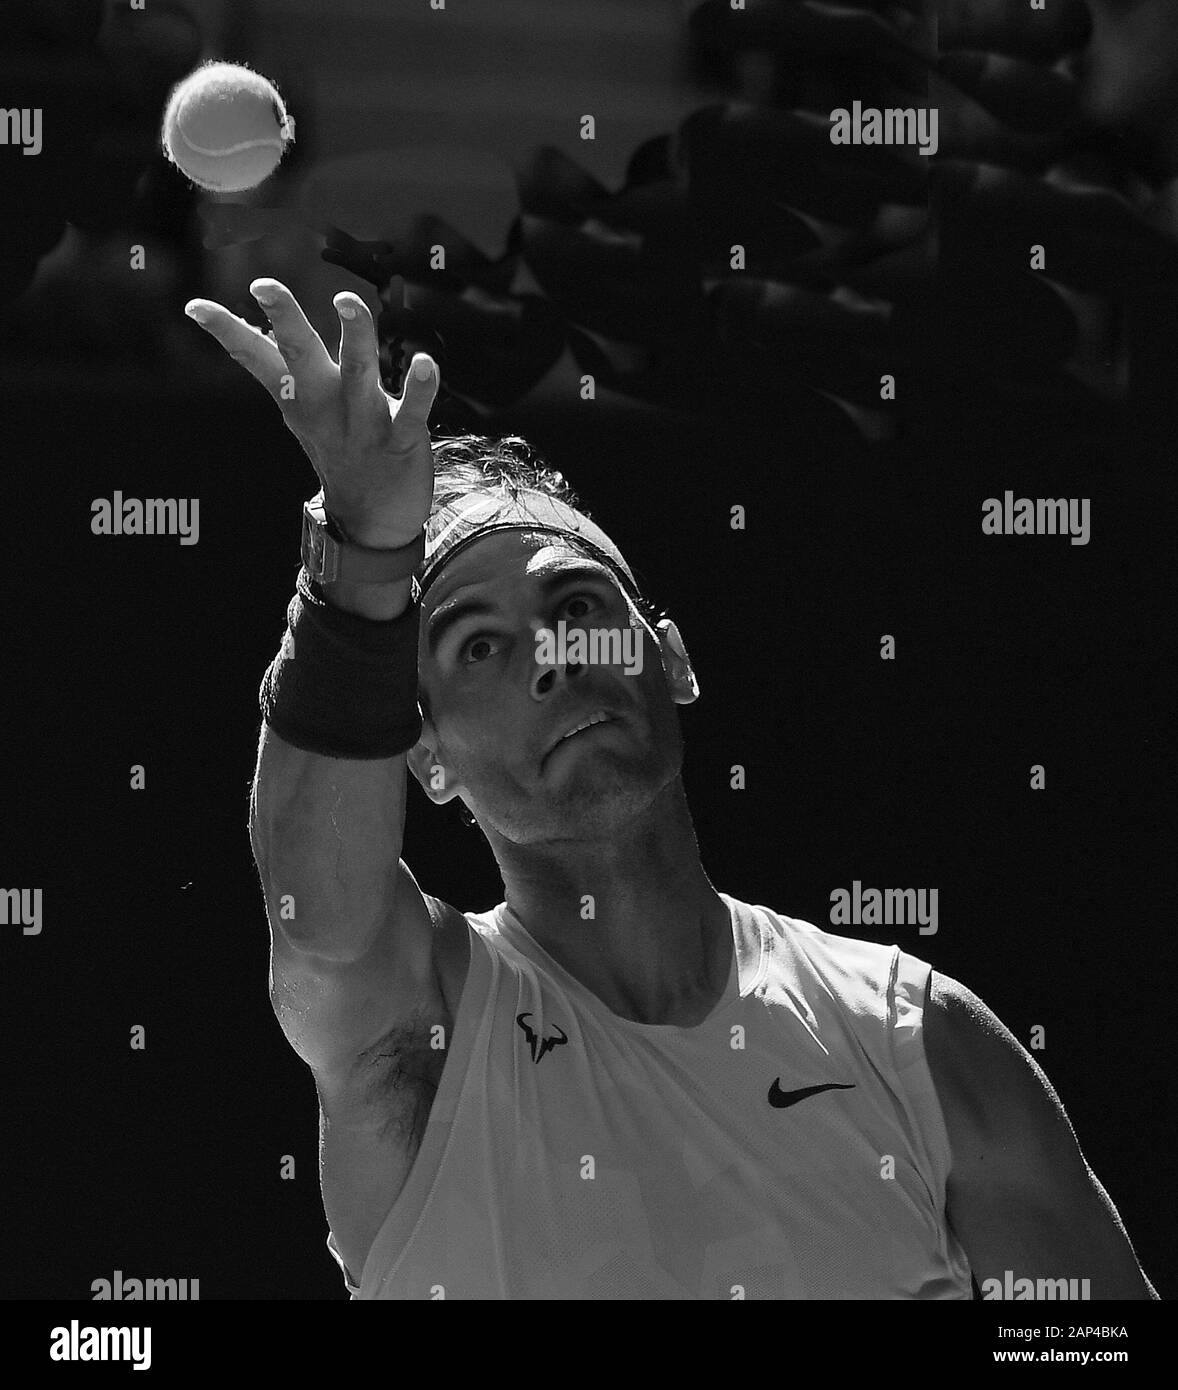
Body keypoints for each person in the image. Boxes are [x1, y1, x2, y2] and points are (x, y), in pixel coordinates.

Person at [185, 277, 1157, 1301]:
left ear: (672, 659)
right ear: (426, 758)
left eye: (577, 601)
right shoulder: (417, 1030)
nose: (551, 657)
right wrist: (362, 556)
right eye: (477, 646)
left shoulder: (916, 1039)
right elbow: (318, 920)